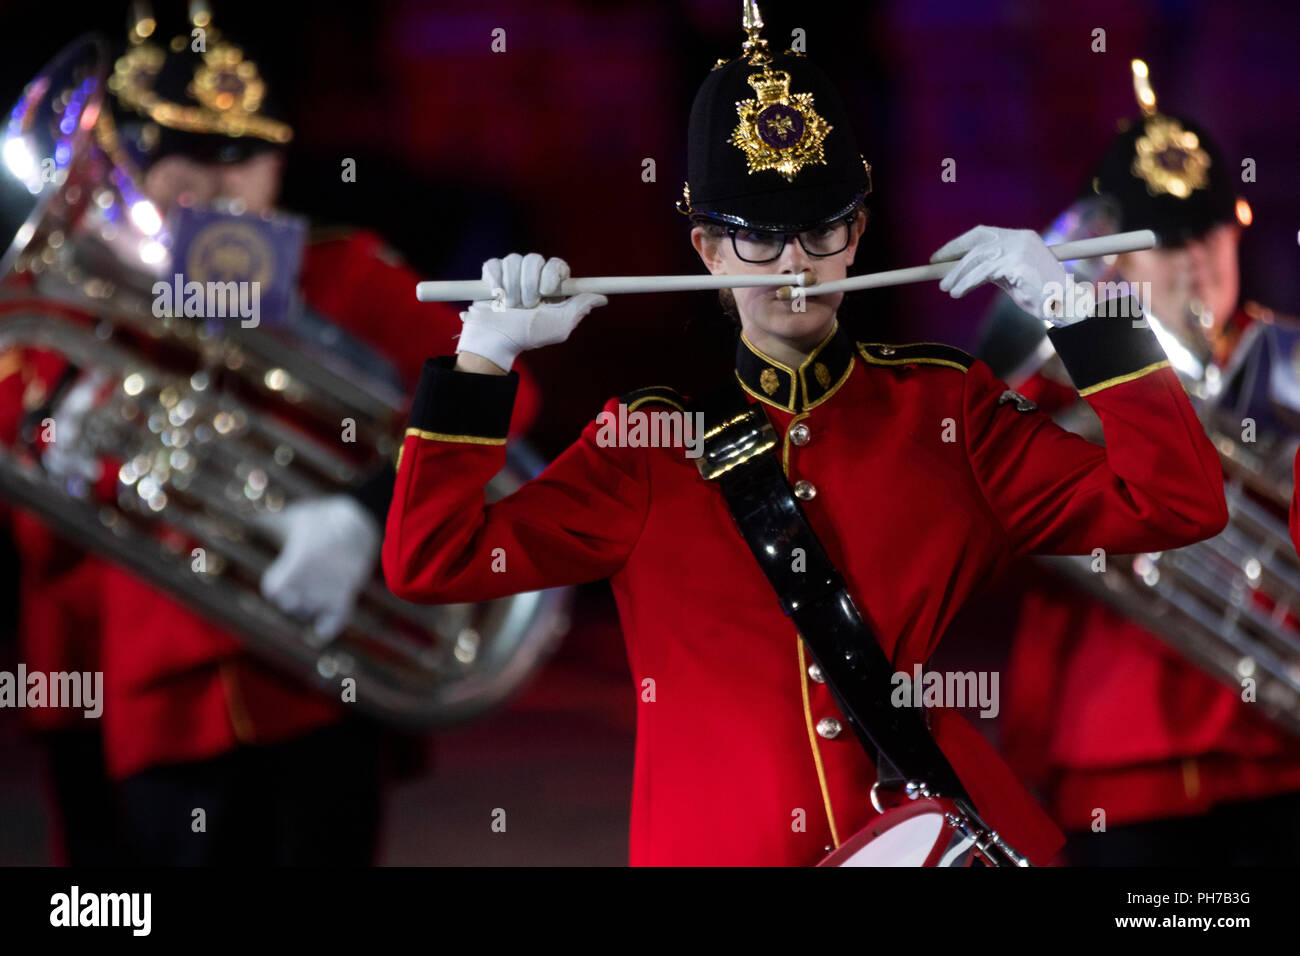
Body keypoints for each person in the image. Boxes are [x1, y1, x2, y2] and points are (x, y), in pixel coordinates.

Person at [381, 6, 1228, 866]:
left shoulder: (947, 413)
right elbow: (432, 560)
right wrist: (482, 356)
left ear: (856, 236)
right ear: (708, 250)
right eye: (758, 237)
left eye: (822, 230)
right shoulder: (642, 447)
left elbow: (1177, 504)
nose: (795, 266)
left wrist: (1082, 315)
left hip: (928, 843)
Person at [0, 9, 540, 864]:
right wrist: (72, 440)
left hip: (324, 686)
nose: (218, 185)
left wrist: (368, 513)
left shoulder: (345, 269)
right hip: (157, 698)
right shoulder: (66, 303)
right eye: (181, 150)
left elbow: (500, 391)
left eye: (242, 153)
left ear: (281, 161)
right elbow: (38, 548)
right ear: (132, 157)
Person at [989, 61, 1300, 865]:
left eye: (1206, 232)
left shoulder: (1288, 364)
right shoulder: (1055, 382)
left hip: (1280, 762)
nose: (1191, 260)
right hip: (1119, 764)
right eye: (1161, 240)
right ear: (1112, 256)